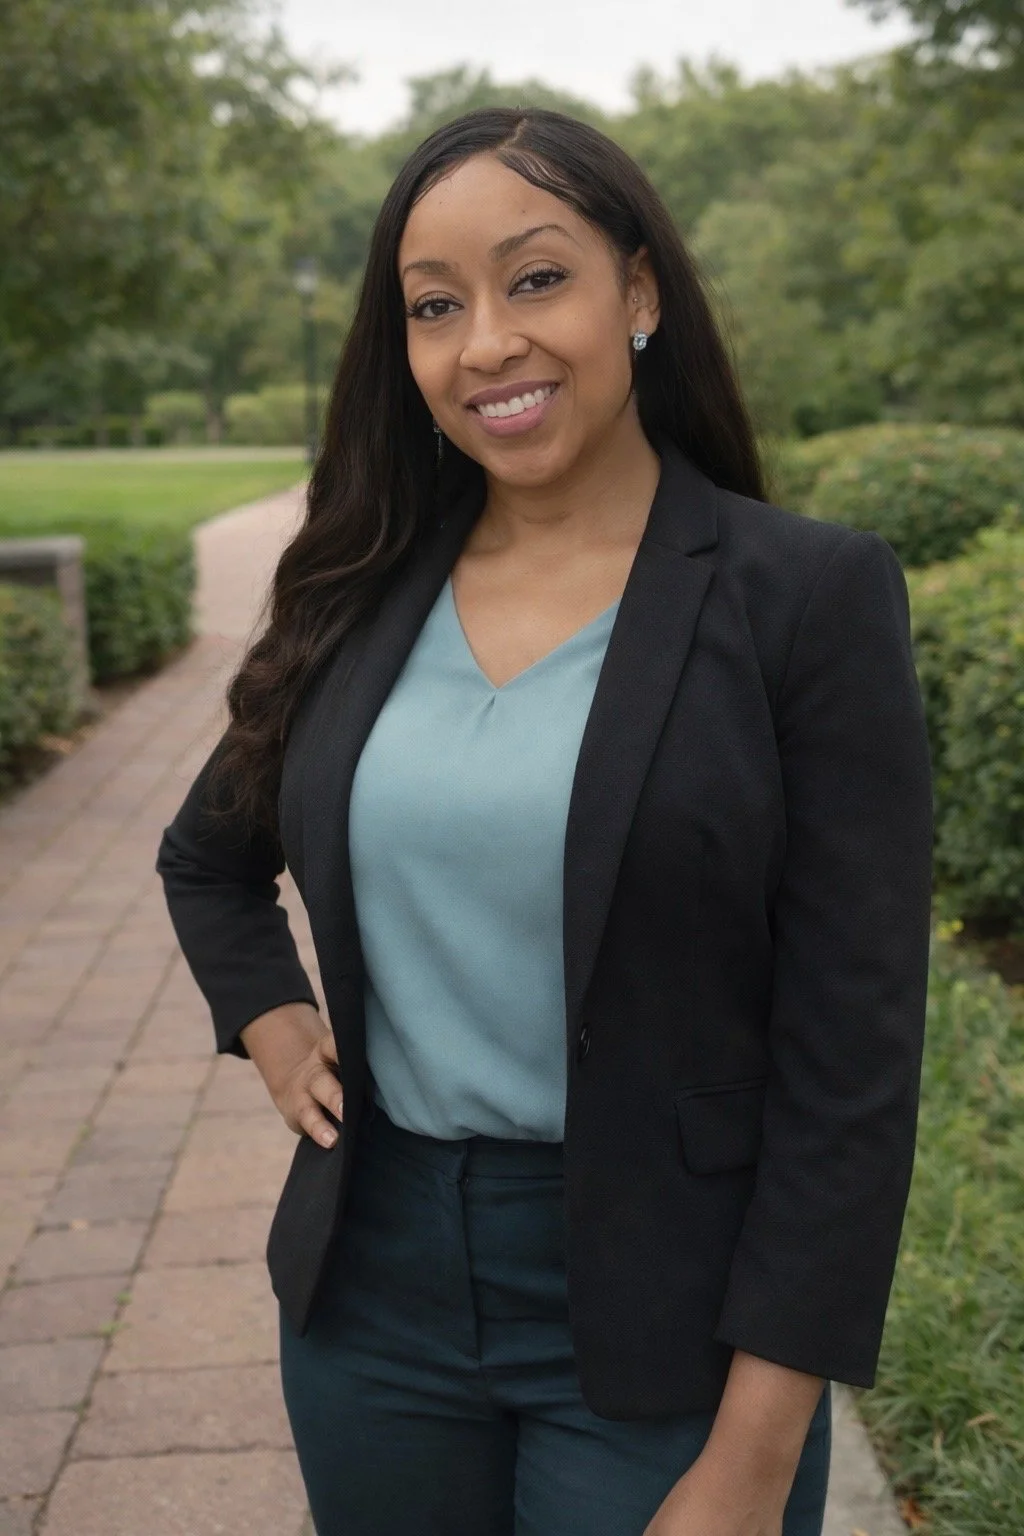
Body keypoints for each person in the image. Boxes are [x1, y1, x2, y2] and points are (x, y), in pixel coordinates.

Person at [156, 107, 933, 1536]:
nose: (486, 345)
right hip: (372, 1287)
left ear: (638, 293)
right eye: (435, 306)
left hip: (668, 1309)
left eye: (536, 280)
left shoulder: (802, 599)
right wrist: (266, 1011)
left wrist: (757, 1459)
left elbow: (854, 1070)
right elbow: (206, 857)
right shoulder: (357, 589)